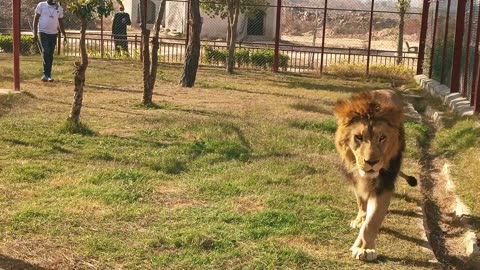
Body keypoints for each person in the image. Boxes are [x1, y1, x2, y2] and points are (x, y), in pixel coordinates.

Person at [33, 0, 67, 82]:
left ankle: (48, 74)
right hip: (43, 32)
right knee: (46, 51)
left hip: (53, 33)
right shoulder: (41, 5)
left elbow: (61, 22)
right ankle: (46, 74)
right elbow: (36, 19)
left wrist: (64, 34)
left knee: (50, 54)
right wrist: (35, 34)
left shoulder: (59, 8)